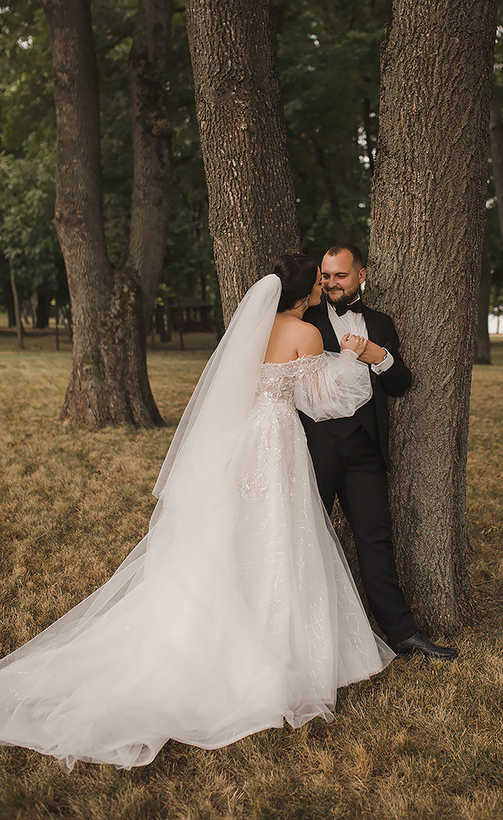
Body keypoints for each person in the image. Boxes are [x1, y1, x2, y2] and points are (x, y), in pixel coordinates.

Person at [0, 255, 394, 773]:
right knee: (280, 532)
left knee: (248, 532)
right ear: (305, 291)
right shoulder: (305, 334)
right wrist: (359, 359)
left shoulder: (251, 332)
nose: (325, 285)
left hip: (247, 439)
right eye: (318, 280)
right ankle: (276, 643)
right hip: (278, 440)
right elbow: (324, 400)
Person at [301, 244, 458, 661]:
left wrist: (380, 357)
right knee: (303, 538)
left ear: (361, 275)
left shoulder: (380, 323)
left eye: (341, 275)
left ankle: (403, 635)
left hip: (364, 450)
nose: (332, 283)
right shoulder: (303, 317)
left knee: (376, 540)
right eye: (326, 275)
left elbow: (401, 384)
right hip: (312, 447)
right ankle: (304, 642)